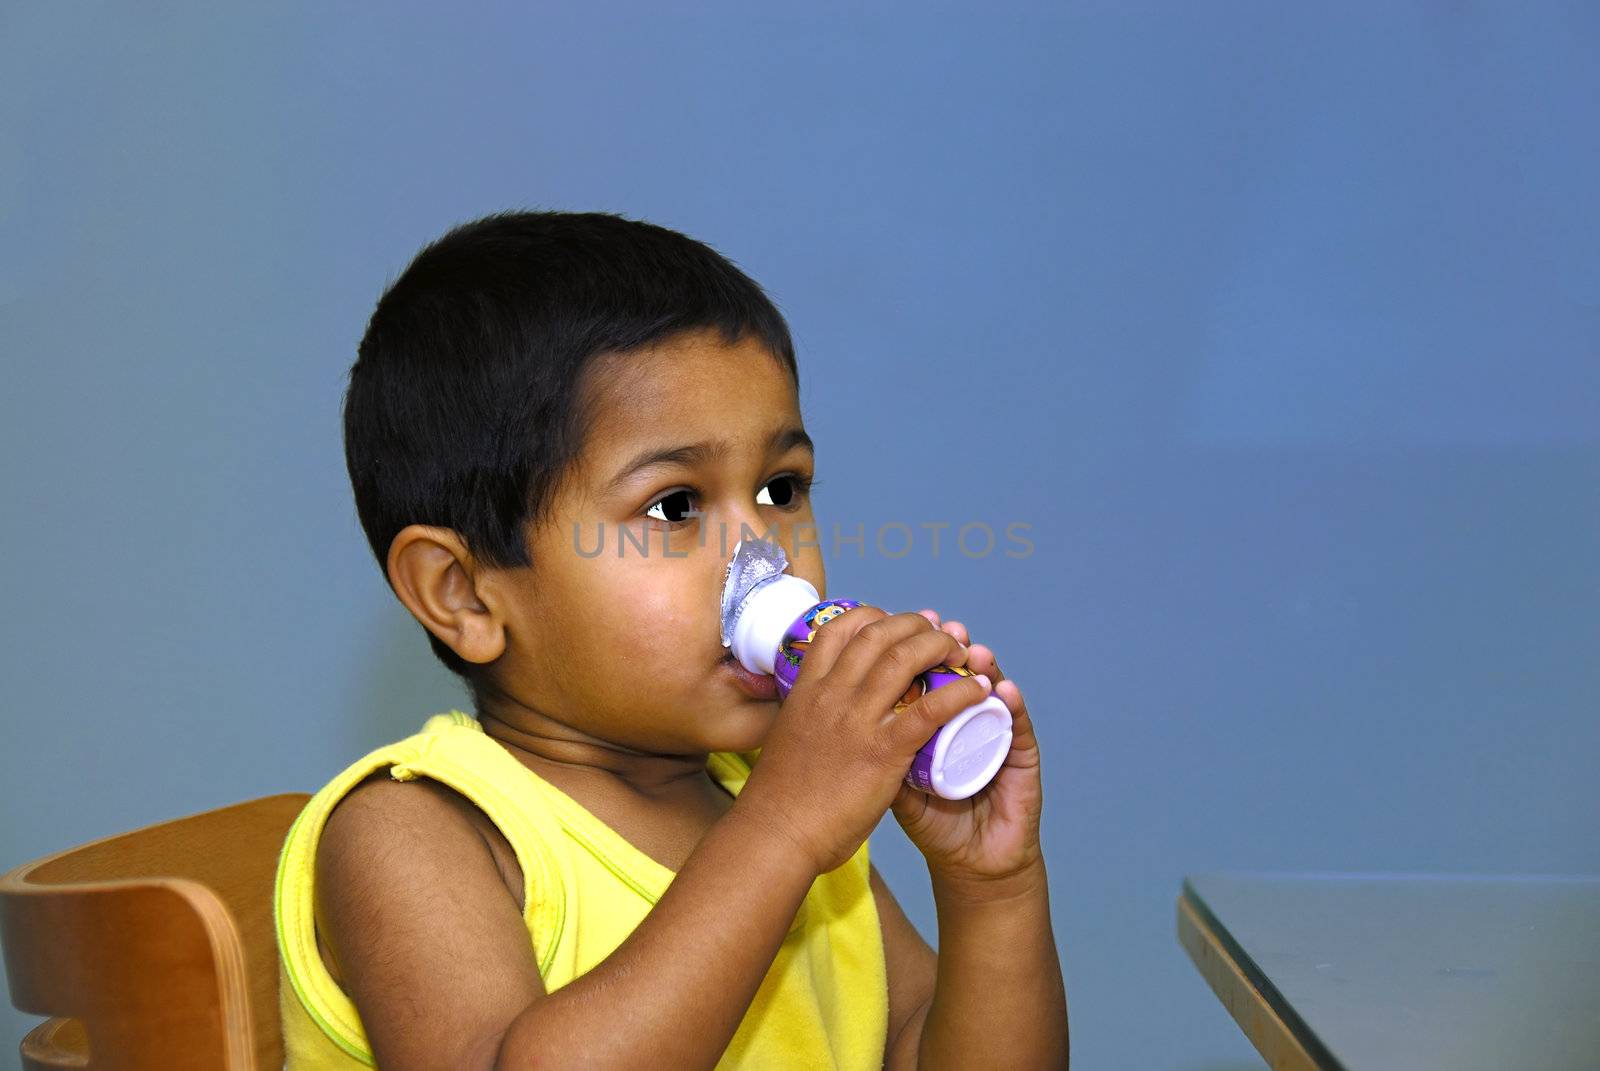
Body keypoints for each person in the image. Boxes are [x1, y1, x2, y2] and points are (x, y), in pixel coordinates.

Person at [272, 209, 1069, 1069]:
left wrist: (991, 890)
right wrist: (785, 829)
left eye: (780, 487)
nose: (760, 552)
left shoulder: (778, 808)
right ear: (462, 592)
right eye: (675, 505)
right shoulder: (413, 832)